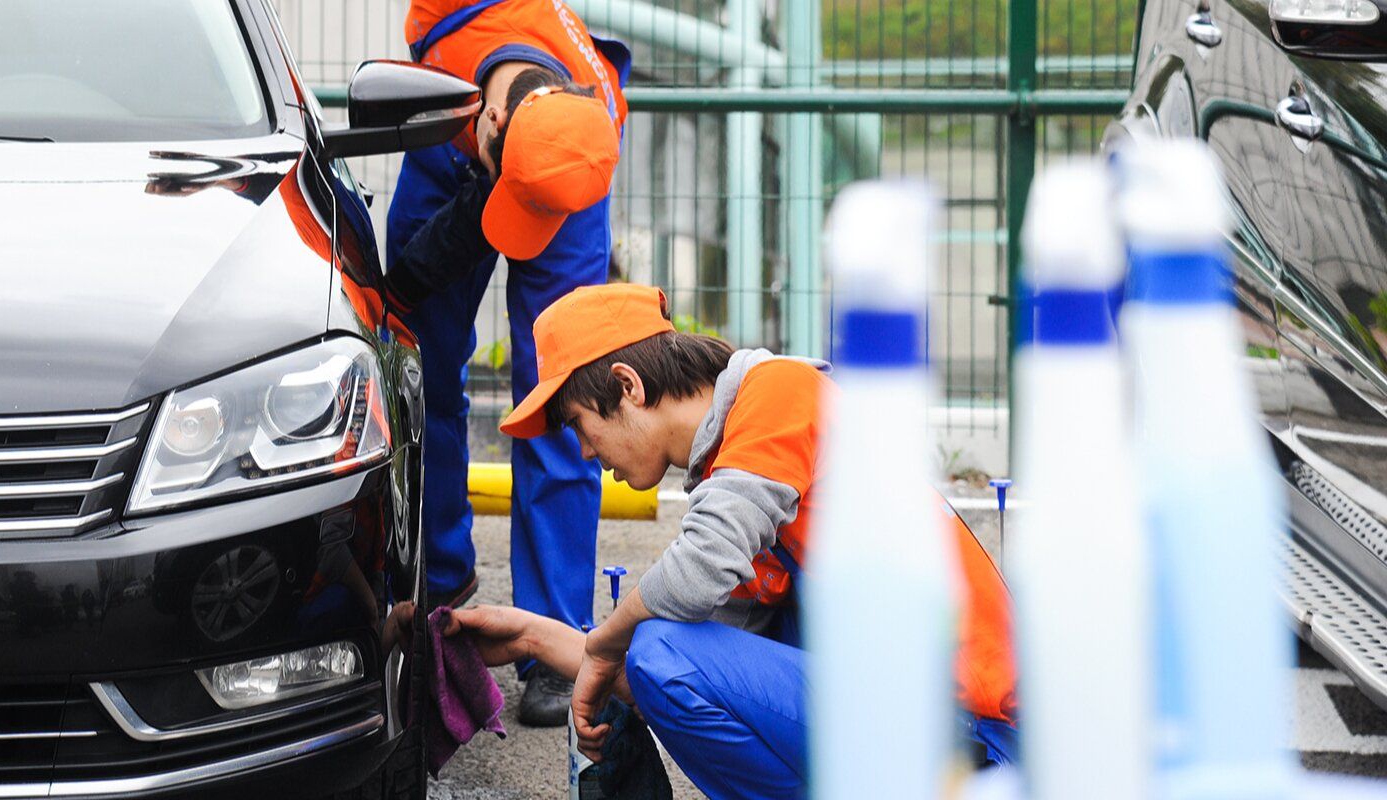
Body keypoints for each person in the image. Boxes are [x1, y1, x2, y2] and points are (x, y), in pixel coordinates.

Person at [444, 283, 1020, 799]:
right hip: (931, 717)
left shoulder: (779, 392)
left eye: (577, 425)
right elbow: (693, 675)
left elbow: (685, 601)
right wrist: (533, 637)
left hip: (976, 733)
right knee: (658, 652)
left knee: (656, 650)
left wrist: (605, 643)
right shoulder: (744, 477)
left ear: (628, 386)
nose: (586, 454)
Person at [383, 0, 632, 727]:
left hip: (566, 184)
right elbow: (420, 272)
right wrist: (414, 274)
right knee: (418, 361)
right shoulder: (445, 69)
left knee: (566, 395)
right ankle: (439, 579)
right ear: (492, 122)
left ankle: (553, 642)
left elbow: (570, 393)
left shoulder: (593, 126)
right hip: (449, 143)